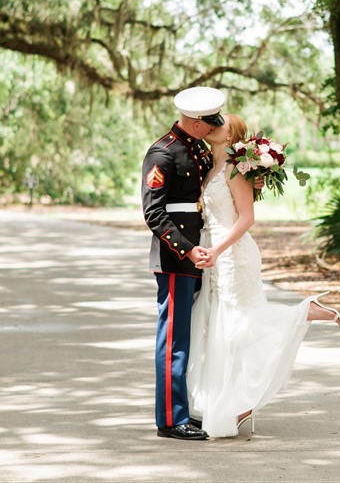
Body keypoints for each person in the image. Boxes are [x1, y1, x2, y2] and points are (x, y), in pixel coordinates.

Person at [187, 113, 340, 438]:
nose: (214, 123)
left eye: (223, 123)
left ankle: (304, 311)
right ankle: (236, 406)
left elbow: (246, 219)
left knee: (239, 326)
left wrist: (217, 251)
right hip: (214, 254)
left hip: (233, 255)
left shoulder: (234, 168)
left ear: (233, 136)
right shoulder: (209, 166)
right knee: (224, 328)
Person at [141, 86, 226, 441]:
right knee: (173, 340)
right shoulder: (162, 153)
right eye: (209, 124)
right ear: (194, 123)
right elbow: (154, 212)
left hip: (198, 252)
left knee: (187, 337)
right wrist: (188, 249)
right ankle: (171, 420)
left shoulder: (198, 149)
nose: (213, 128)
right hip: (176, 257)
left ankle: (181, 409)